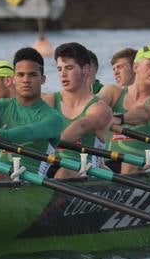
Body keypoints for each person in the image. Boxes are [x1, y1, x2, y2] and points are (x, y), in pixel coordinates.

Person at [0, 47, 65, 179]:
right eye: (20, 75)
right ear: (14, 78)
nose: (26, 80)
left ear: (43, 79)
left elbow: (29, 131)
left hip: (30, 183)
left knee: (1, 174)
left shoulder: (54, 119)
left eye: (32, 75)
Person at [101, 45, 150, 174]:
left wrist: (120, 119)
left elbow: (145, 112)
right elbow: (92, 106)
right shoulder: (113, 92)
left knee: (130, 162)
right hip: (110, 163)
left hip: (149, 165)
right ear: (136, 67)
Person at [46, 42, 113, 179]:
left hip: (86, 170)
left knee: (65, 172)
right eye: (59, 69)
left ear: (86, 69)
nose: (63, 74)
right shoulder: (50, 100)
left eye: (69, 68)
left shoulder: (99, 108)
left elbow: (80, 126)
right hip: (48, 164)